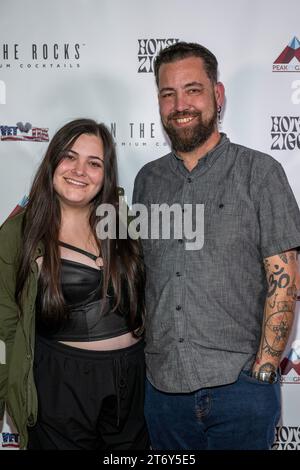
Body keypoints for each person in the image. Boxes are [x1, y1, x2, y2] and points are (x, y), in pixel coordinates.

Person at [132, 42, 300, 450]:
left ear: (217, 95)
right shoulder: (146, 181)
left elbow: (285, 278)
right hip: (162, 391)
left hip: (239, 390)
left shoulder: (260, 172)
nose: (180, 104)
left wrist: (263, 369)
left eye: (192, 89)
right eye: (168, 94)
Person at [0, 118, 149, 450]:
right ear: (53, 161)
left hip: (132, 380)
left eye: (94, 163)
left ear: (105, 175)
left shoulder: (124, 223)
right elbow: (8, 322)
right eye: (69, 157)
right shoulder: (18, 233)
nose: (80, 170)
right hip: (61, 385)